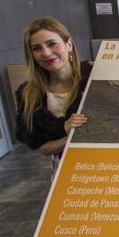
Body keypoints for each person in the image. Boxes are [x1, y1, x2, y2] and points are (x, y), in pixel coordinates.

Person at [15, 17, 92, 169]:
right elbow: (43, 148)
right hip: (65, 169)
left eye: (51, 44)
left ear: (68, 45)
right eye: (37, 48)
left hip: (107, 165)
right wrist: (68, 131)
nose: (46, 53)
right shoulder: (29, 94)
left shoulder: (94, 77)